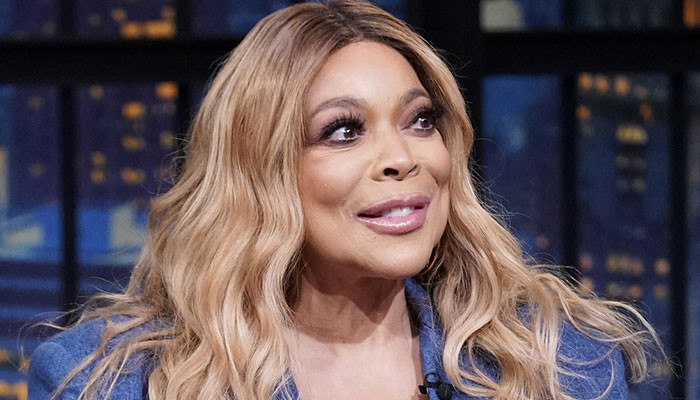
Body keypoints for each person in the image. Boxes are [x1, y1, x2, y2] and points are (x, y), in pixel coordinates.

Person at [28, 1, 661, 399]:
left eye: (420, 120)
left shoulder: (563, 365)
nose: (403, 157)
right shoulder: (110, 382)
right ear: (261, 170)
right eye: (343, 130)